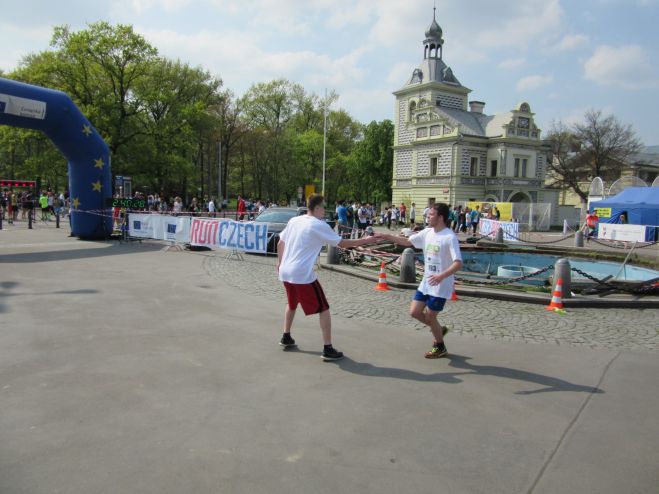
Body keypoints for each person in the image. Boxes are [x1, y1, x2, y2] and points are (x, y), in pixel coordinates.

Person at [277, 194, 375, 361]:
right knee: (323, 308)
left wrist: (280, 264)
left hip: (285, 271)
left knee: (292, 303)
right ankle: (328, 348)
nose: (325, 210)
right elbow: (342, 244)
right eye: (323, 207)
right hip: (302, 274)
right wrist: (365, 241)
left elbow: (280, 243)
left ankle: (286, 336)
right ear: (316, 208)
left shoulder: (295, 220)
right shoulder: (318, 224)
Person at [375, 203, 463, 358]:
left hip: (441, 285)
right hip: (426, 282)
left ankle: (440, 346)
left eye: (431, 214)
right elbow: (408, 242)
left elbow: (458, 263)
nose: (427, 216)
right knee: (414, 312)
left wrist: (441, 276)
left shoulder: (449, 237)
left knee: (430, 317)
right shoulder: (427, 232)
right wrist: (386, 236)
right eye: (428, 214)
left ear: (440, 217)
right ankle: (439, 330)